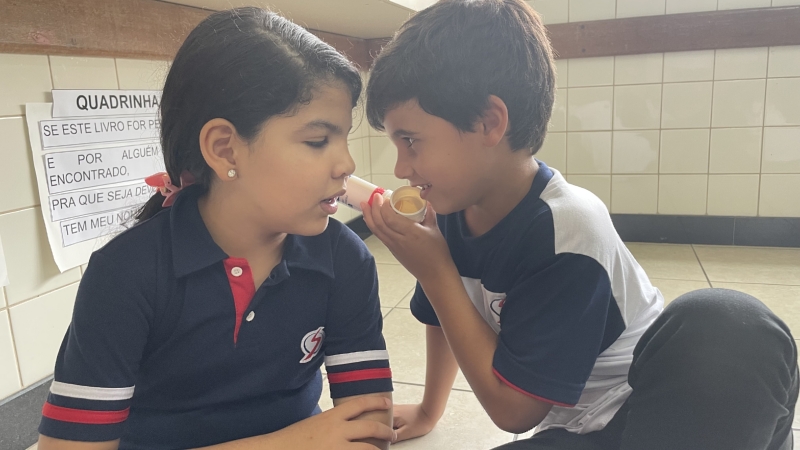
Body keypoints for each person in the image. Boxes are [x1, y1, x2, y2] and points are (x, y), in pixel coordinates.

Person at [360, 1, 798, 449]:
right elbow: (443, 317)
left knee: (728, 324)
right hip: (576, 430)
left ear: (488, 122)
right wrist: (430, 409)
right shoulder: (450, 213)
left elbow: (513, 411)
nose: (400, 169)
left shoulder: (567, 228)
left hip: (651, 402)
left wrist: (436, 272)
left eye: (411, 141)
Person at [37, 8, 395, 450]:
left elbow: (370, 425)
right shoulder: (127, 274)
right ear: (225, 149)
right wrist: (288, 443)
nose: (347, 164)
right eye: (318, 141)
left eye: (343, 139)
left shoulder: (344, 259)